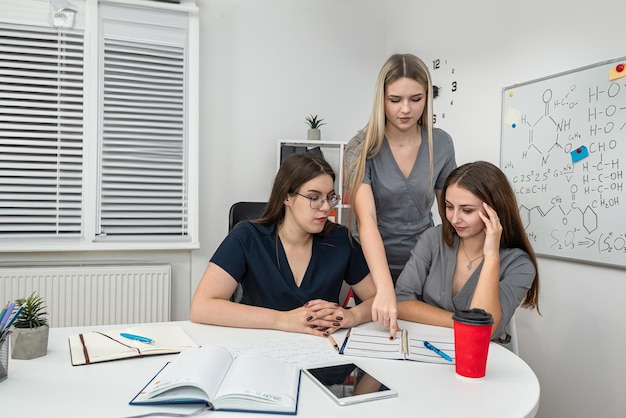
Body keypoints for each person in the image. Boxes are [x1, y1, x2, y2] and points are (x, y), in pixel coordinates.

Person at [190, 152, 376, 337]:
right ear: (287, 197)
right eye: (314, 197)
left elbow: (377, 298)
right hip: (258, 347)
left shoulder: (340, 240)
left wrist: (352, 315)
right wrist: (282, 320)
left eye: (329, 197)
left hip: (321, 349)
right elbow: (201, 307)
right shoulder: (248, 236)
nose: (326, 207)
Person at [344, 53, 456, 337]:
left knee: (422, 339)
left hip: (422, 262)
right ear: (380, 99)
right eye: (395, 100)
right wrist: (383, 289)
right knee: (377, 338)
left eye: (415, 99)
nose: (405, 109)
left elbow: (450, 214)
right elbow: (366, 219)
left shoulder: (441, 143)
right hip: (371, 265)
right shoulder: (360, 147)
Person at [395, 161, 540, 340]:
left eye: (467, 210)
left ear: (493, 210)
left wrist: (491, 255)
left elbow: (487, 330)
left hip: (478, 357)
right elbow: (401, 302)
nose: (454, 218)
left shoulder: (519, 265)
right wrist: (464, 323)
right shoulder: (433, 239)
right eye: (449, 207)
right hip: (426, 348)